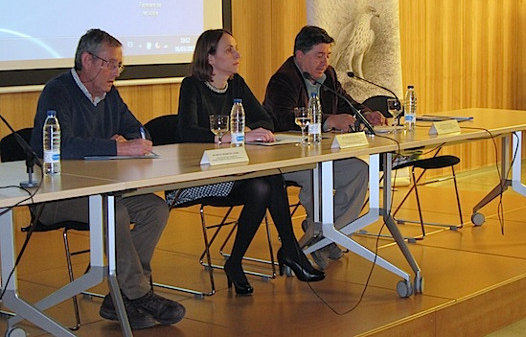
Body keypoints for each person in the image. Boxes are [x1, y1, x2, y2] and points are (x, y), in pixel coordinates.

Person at [29, 28, 185, 330]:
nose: (116, 72)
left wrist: (134, 141)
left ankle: (119, 299)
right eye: (110, 63)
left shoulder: (111, 94)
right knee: (113, 211)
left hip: (102, 188)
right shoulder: (58, 91)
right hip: (54, 195)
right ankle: (140, 294)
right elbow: (58, 145)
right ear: (87, 60)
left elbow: (140, 132)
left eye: (119, 65)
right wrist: (115, 146)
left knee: (155, 209)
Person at [173, 28, 324, 294]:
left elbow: (265, 119)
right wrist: (235, 136)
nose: (237, 55)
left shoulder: (237, 84)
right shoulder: (192, 87)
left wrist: (255, 133)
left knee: (267, 182)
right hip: (202, 177)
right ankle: (288, 251)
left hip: (237, 172)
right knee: (264, 184)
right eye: (229, 50)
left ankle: (243, 260)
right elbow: (187, 133)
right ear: (210, 58)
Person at [263, 25, 386, 269]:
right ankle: (321, 234)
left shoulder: (327, 75)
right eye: (319, 55)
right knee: (317, 175)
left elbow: (346, 103)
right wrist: (328, 120)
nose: (325, 61)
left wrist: (366, 114)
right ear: (300, 55)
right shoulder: (283, 80)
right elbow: (281, 120)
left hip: (320, 153)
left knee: (358, 171)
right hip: (287, 158)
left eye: (328, 55)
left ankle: (323, 235)